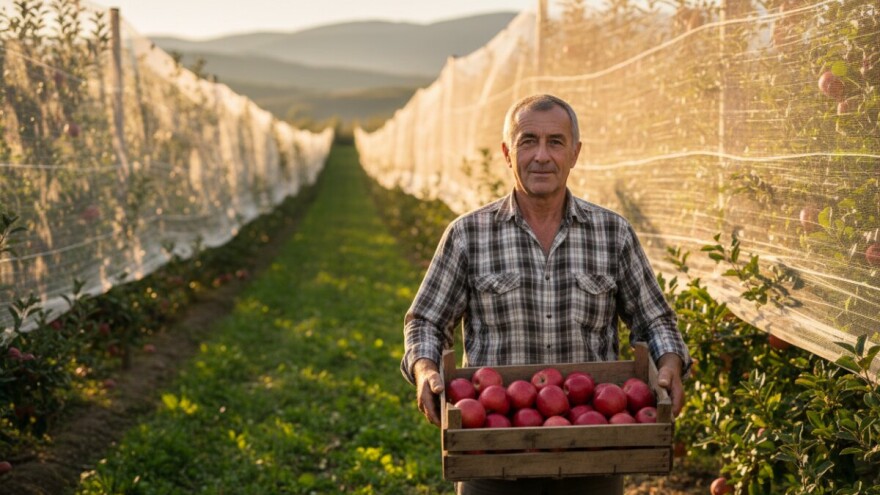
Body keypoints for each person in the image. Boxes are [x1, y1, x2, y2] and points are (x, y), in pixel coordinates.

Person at [400, 94, 691, 495]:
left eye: (555, 142)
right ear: (507, 153)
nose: (541, 155)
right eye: (527, 141)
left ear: (575, 153)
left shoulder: (612, 233)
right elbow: (427, 320)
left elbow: (654, 318)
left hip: (594, 453)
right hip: (491, 452)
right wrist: (425, 370)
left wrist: (669, 362)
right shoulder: (468, 235)